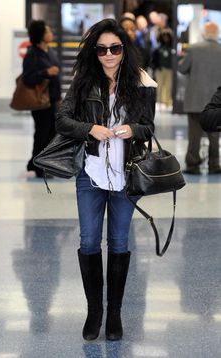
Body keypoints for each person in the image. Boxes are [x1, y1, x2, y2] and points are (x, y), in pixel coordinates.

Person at [56, 19, 157, 341]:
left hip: (127, 175)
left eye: (115, 48)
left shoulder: (141, 84)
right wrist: (89, 129)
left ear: (124, 50)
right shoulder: (84, 82)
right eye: (102, 49)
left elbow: (148, 127)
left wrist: (133, 130)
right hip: (91, 173)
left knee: (119, 243)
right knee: (88, 242)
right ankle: (94, 312)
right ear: (94, 52)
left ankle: (114, 314)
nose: (109, 54)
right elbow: (62, 120)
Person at [178, 22, 221, 174]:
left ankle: (193, 165)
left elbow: (182, 69)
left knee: (194, 135)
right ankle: (214, 165)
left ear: (204, 33)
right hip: (216, 102)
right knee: (215, 135)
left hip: (195, 100)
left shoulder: (194, 49)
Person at [23, 20, 61, 178]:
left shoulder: (49, 51)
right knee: (42, 134)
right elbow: (28, 78)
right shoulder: (32, 54)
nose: (51, 33)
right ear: (40, 35)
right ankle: (38, 166)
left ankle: (35, 162)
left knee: (51, 133)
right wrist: (46, 72)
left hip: (52, 100)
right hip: (40, 103)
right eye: (47, 31)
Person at [152, 28, 174, 110]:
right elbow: (154, 60)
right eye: (164, 36)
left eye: (167, 36)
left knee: (168, 86)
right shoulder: (158, 48)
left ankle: (167, 103)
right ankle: (159, 102)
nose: (165, 38)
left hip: (170, 70)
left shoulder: (172, 48)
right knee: (159, 86)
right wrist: (156, 67)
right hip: (160, 70)